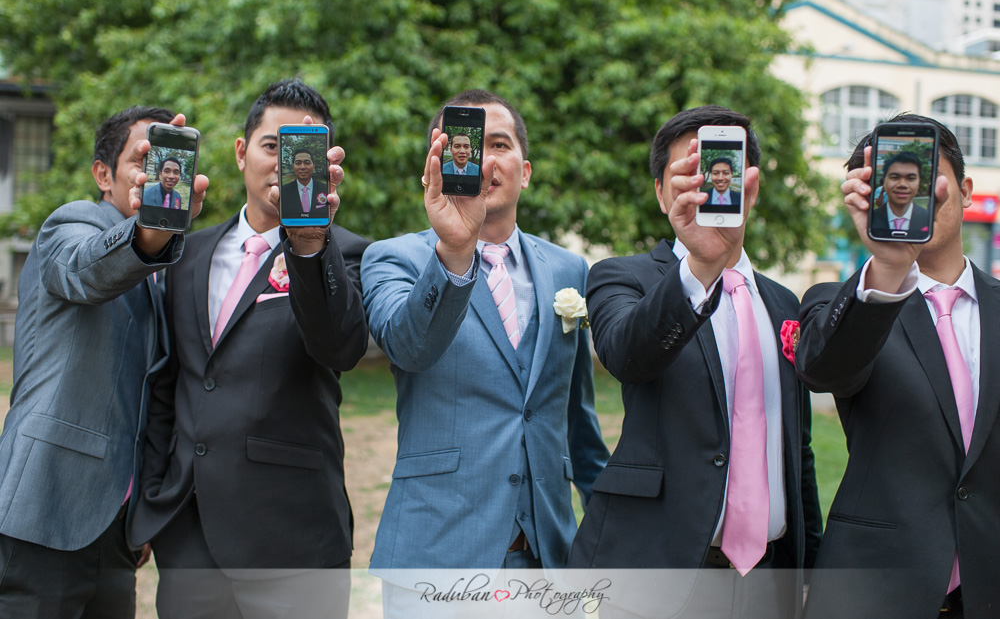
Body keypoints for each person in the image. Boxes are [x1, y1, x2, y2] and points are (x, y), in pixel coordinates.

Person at [569, 105, 822, 619]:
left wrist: (813, 571)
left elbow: (798, 453)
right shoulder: (624, 276)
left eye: (722, 169)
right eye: (688, 174)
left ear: (750, 185)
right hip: (653, 572)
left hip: (767, 583)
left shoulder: (784, 304)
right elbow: (626, 354)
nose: (707, 185)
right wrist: (702, 263)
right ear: (662, 193)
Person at [129, 79, 369, 619]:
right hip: (189, 538)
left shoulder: (348, 254)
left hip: (294, 540)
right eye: (270, 147)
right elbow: (170, 380)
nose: (283, 165)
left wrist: (309, 243)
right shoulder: (185, 254)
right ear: (241, 153)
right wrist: (152, 500)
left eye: (298, 151)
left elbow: (340, 347)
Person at [361, 89, 608, 606]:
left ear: (526, 168)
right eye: (469, 144)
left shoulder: (568, 271)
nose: (485, 160)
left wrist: (607, 528)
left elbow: (576, 420)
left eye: (500, 144)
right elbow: (408, 348)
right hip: (437, 558)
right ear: (436, 165)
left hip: (545, 562)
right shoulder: (393, 258)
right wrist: (454, 250)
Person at [0, 105, 208, 618]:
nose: (156, 171)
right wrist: (151, 231)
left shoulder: (165, 267)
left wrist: (141, 513)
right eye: (142, 158)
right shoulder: (68, 226)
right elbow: (86, 270)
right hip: (43, 512)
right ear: (102, 174)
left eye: (162, 159)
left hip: (118, 533)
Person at [797, 114, 1000, 619]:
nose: (911, 192)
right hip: (876, 587)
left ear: (967, 189)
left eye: (925, 174)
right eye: (889, 180)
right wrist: (889, 267)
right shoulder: (845, 304)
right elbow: (826, 373)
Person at [869, 151, 930, 236]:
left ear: (919, 182)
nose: (902, 184)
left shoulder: (928, 219)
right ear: (884, 181)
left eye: (911, 178)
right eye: (895, 177)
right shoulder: (871, 219)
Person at [280, 148, 329, 218]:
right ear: (293, 166)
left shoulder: (325, 189)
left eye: (307, 163)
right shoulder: (283, 191)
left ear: (313, 166)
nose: (302, 167)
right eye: (298, 163)